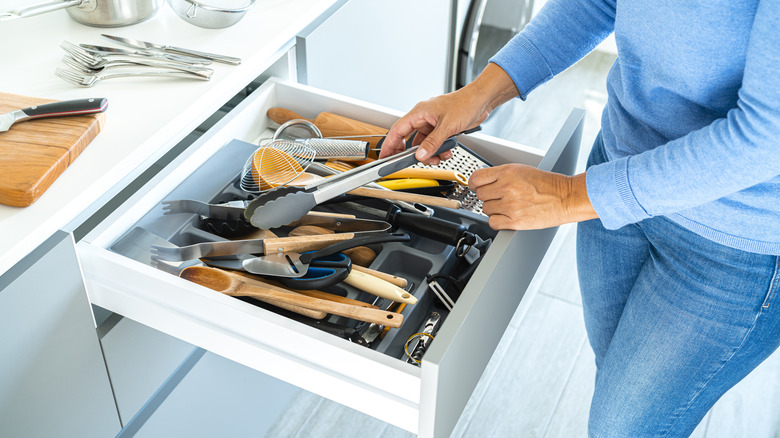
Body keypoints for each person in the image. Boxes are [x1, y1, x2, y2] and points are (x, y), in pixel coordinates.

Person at [380, 0, 780, 436]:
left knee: (621, 428)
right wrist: (479, 93)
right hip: (618, 176)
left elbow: (766, 139)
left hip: (733, 242)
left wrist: (569, 194)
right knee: (617, 383)